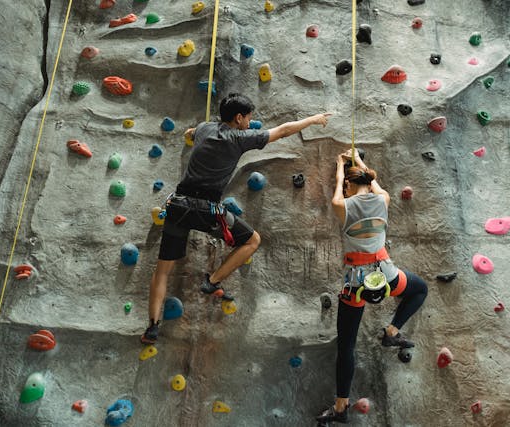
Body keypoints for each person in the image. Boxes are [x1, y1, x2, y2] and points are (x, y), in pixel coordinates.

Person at [141, 93, 331, 344]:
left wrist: (193, 135)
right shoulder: (240, 139)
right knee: (252, 240)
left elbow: (189, 134)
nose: (250, 122)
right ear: (239, 118)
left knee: (162, 271)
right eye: (248, 118)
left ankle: (152, 327)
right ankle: (212, 280)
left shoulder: (205, 128)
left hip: (179, 206)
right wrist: (314, 119)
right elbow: (284, 131)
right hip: (207, 210)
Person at [316, 149, 428, 424]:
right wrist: (359, 160)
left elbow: (340, 189)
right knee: (419, 289)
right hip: (387, 276)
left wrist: (340, 164)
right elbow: (374, 185)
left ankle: (341, 406)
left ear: (349, 185)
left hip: (356, 285)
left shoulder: (341, 206)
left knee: (347, 347)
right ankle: (392, 331)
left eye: (346, 184)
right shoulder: (384, 199)